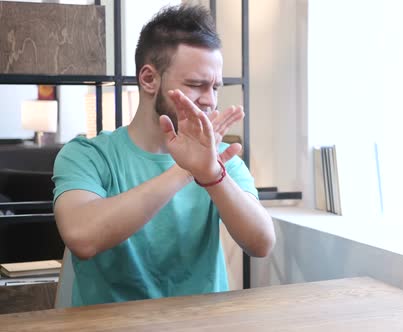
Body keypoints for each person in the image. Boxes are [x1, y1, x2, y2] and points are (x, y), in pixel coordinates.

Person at [52, 4, 275, 306]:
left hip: (203, 324)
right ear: (148, 79)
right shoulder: (88, 155)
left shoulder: (220, 161)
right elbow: (82, 237)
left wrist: (211, 175)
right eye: (196, 85)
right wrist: (184, 171)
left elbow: (261, 243)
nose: (210, 101)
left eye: (215, 87)